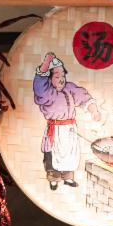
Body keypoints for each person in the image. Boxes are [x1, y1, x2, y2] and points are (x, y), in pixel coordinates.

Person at [31, 54, 94, 191]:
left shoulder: (69, 88)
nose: (61, 80)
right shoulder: (47, 93)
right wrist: (46, 62)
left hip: (70, 129)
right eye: (57, 77)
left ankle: (68, 177)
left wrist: (92, 109)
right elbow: (39, 85)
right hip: (56, 130)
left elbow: (82, 97)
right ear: (49, 79)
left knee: (71, 154)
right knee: (52, 155)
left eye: (63, 77)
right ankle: (54, 179)